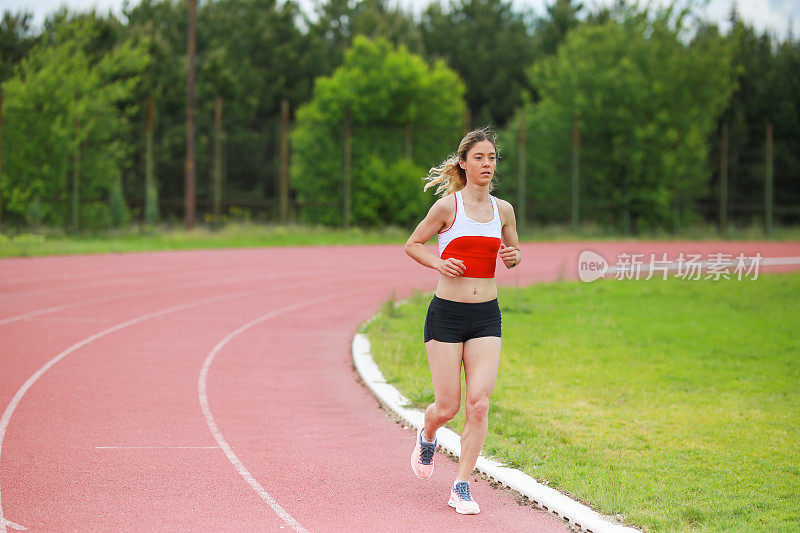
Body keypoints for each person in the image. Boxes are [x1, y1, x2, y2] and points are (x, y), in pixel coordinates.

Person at [404, 127, 521, 515]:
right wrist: (440, 262)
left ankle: (462, 485)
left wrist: (513, 256)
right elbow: (413, 244)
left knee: (479, 404)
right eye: (479, 158)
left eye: (492, 158)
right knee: (449, 405)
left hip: (486, 315)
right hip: (447, 316)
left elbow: (513, 248)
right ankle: (428, 432)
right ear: (463, 162)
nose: (487, 164)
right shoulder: (447, 208)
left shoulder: (503, 210)